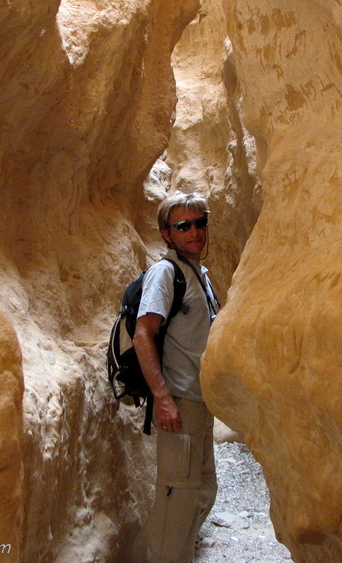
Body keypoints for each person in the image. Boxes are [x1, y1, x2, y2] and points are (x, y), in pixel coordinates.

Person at [133, 191, 220, 563]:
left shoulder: (198, 274)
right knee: (177, 500)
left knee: (202, 492)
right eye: (183, 225)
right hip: (179, 406)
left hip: (200, 404)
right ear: (167, 234)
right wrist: (163, 400)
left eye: (199, 222)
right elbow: (143, 335)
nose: (194, 231)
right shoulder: (165, 274)